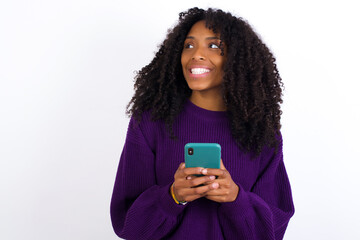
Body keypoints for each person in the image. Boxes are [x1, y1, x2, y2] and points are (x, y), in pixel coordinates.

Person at [110, 7, 295, 240]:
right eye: (188, 45)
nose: (196, 54)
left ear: (237, 59)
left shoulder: (261, 133)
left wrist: (236, 199)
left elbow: (272, 231)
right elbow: (128, 225)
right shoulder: (151, 121)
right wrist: (172, 196)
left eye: (214, 46)